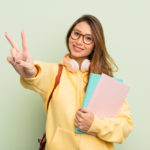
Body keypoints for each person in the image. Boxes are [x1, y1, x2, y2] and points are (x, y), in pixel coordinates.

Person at [5, 14, 133, 150]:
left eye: (88, 38)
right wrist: (30, 71)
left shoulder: (106, 82)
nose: (79, 41)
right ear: (69, 35)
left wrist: (94, 124)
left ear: (96, 45)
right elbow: (37, 73)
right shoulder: (55, 74)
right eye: (76, 34)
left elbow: (124, 126)